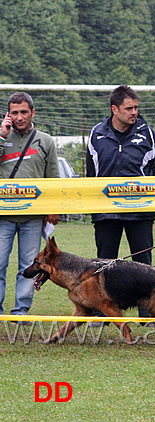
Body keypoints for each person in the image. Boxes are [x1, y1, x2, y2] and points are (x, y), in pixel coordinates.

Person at [86, 85, 155, 317]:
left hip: (140, 212)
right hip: (106, 212)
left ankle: (147, 314)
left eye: (136, 108)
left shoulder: (148, 133)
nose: (134, 112)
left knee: (144, 265)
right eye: (129, 108)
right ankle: (104, 313)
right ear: (114, 109)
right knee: (103, 264)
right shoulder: (96, 133)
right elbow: (91, 173)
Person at [0, 92, 60, 318]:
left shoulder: (45, 140)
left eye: (23, 112)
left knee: (29, 265)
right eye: (14, 112)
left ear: (32, 112)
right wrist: (2, 136)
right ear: (8, 115)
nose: (19, 117)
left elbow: (53, 178)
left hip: (33, 215)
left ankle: (21, 310)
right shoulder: (1, 137)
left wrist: (53, 208)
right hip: (3, 214)